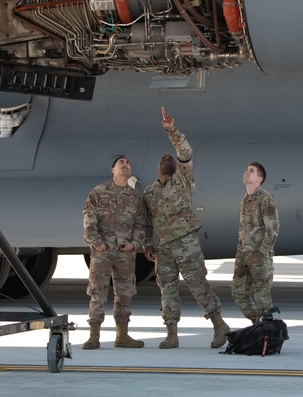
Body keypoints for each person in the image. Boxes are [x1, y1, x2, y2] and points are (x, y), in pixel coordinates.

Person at [143, 108, 230, 349]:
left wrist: (171, 130)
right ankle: (171, 333)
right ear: (157, 167)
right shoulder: (150, 192)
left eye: (169, 158)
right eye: (163, 158)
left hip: (185, 243)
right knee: (167, 290)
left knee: (198, 284)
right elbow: (146, 220)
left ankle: (219, 325)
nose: (167, 159)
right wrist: (147, 243)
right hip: (162, 248)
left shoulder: (182, 180)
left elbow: (184, 152)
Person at [81, 155, 145, 350]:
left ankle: (122, 335)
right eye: (121, 163)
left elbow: (141, 223)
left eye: (128, 163)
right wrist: (96, 242)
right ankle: (94, 336)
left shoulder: (135, 197)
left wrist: (134, 244)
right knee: (98, 292)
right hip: (103, 251)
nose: (125, 165)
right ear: (113, 170)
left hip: (125, 253)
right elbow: (89, 217)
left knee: (125, 294)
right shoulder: (99, 192)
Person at [232, 161, 280, 323]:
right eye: (246, 170)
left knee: (262, 296)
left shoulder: (266, 199)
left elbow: (273, 228)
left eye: (251, 171)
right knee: (238, 292)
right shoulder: (245, 199)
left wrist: (262, 252)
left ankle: (268, 329)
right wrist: (240, 250)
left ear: (259, 179)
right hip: (243, 254)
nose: (246, 172)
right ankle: (257, 324)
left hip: (259, 255)